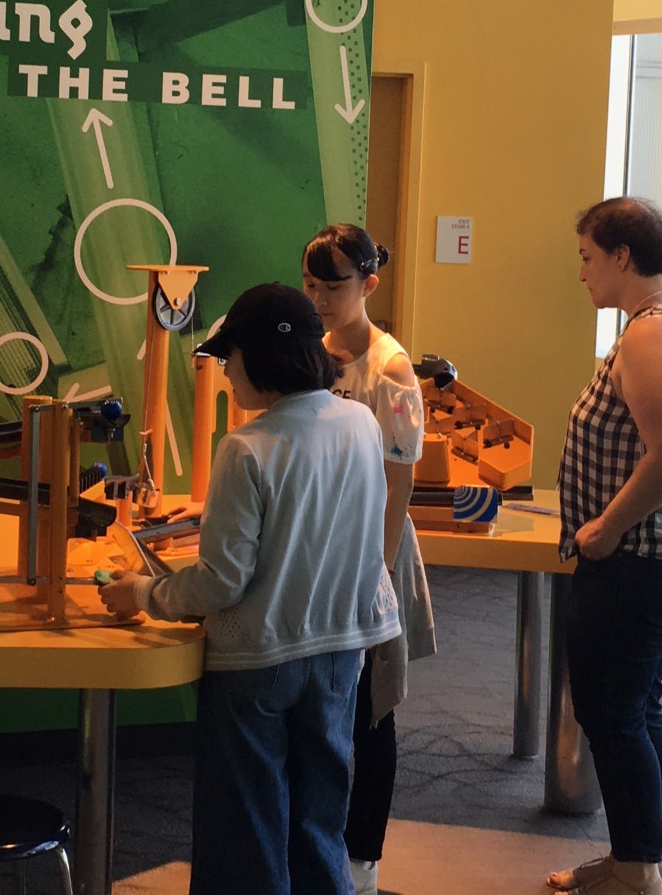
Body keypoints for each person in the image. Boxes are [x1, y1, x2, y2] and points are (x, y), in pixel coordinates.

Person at [99, 282, 400, 895]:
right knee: (321, 819)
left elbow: (222, 582)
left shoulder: (245, 448)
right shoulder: (361, 424)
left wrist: (142, 593)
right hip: (341, 652)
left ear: (259, 356)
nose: (226, 372)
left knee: (247, 829)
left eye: (229, 357)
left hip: (256, 662)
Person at [550, 198, 662, 895]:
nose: (581, 272)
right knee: (636, 708)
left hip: (640, 558)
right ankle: (635, 858)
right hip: (659, 557)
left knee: (614, 712)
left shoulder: (649, 335)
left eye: (588, 256)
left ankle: (636, 871)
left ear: (622, 256)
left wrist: (607, 527)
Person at [301, 224, 436, 895]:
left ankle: (365, 858)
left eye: (335, 287)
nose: (321, 300)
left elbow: (399, 479)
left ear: (369, 284)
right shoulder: (312, 354)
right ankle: (317, 847)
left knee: (371, 711)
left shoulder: (391, 368)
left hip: (371, 549)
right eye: (312, 286)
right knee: (322, 704)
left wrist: (378, 573)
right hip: (318, 547)